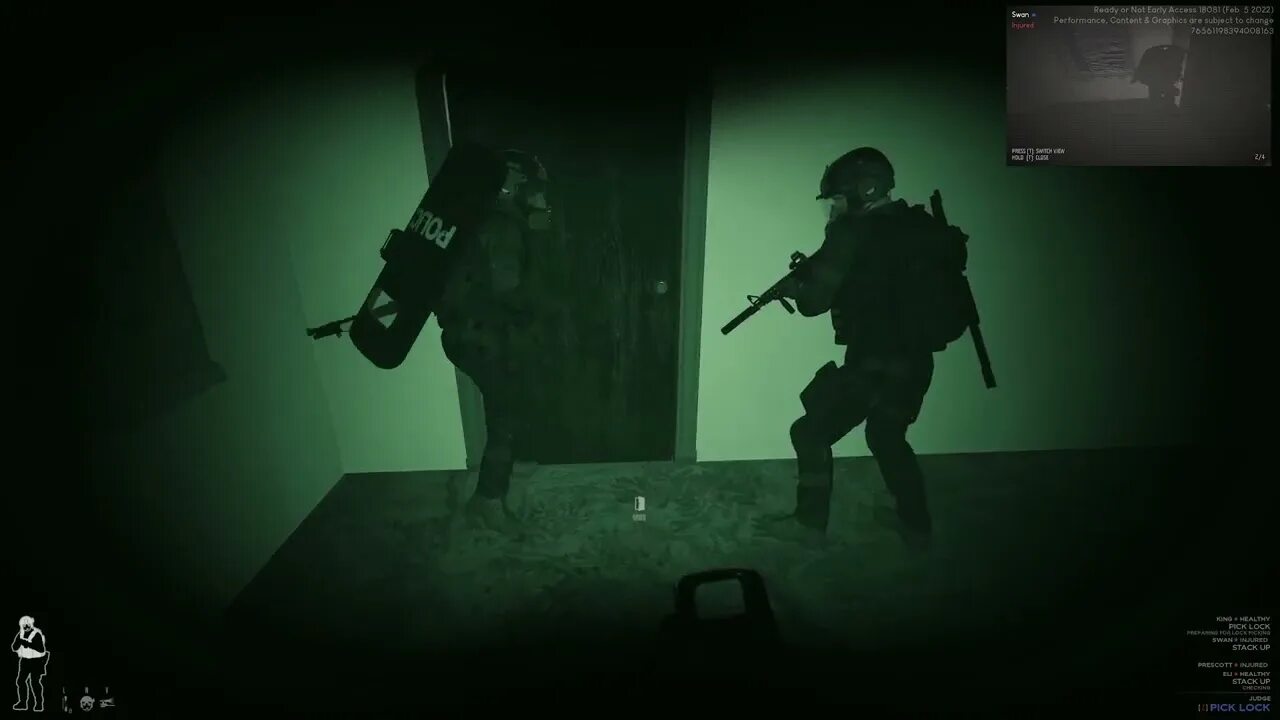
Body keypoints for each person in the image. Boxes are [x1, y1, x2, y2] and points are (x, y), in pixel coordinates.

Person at [756, 147, 940, 548]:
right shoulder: (915, 226)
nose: (833, 208)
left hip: (874, 363)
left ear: (865, 190)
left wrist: (798, 287)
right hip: (916, 361)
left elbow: (813, 304)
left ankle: (808, 525)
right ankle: (916, 524)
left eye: (838, 199)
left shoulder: (850, 232)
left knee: (809, 432)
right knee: (887, 436)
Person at [436, 148, 551, 534]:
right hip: (481, 336)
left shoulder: (482, 215)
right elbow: (508, 288)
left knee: (511, 406)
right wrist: (536, 304)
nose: (541, 197)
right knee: (506, 416)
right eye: (534, 189)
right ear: (513, 186)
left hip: (470, 332)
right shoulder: (502, 225)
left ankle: (504, 469)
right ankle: (487, 500)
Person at [11, 615, 49, 712]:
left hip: (36, 661)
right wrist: (19, 642)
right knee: (20, 681)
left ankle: (39, 704)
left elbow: (41, 649)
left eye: (27, 624)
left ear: (31, 624)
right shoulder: (20, 634)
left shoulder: (36, 634)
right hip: (25, 661)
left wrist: (28, 644)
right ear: (21, 625)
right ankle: (23, 703)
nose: (26, 626)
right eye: (24, 625)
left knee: (34, 682)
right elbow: (14, 647)